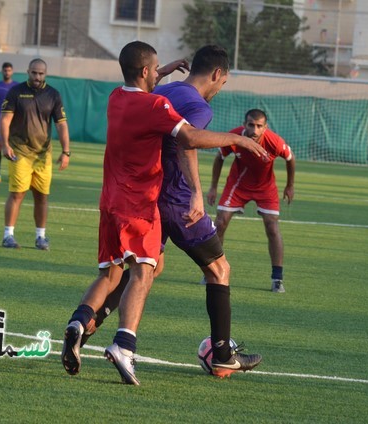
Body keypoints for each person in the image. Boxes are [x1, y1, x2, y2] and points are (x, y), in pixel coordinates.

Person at [61, 41, 267, 386]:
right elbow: (189, 141)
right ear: (217, 75)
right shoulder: (191, 106)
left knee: (132, 272)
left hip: (127, 199)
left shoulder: (144, 93)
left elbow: (151, 89)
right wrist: (233, 150)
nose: (220, 87)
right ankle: (220, 355)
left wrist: (164, 71)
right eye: (223, 81)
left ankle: (81, 327)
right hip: (167, 200)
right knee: (218, 269)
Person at [207, 109, 295, 293]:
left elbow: (290, 158)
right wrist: (214, 187)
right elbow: (219, 158)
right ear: (244, 124)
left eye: (259, 126)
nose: (254, 130)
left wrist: (289, 186)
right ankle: (212, 270)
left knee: (272, 227)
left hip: (266, 187)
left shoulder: (274, 141)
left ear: (265, 127)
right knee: (220, 223)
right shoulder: (234, 136)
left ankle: (277, 278)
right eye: (251, 125)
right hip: (238, 185)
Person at [0, 58, 71, 250]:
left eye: (41, 73)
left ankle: (41, 237)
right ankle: (8, 235)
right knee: (17, 193)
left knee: (42, 196)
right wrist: (5, 145)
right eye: (34, 73)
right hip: (20, 151)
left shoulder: (53, 95)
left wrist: (66, 152)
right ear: (28, 71)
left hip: (42, 155)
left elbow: (61, 124)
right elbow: (5, 120)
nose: (37, 77)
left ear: (45, 74)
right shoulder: (16, 92)